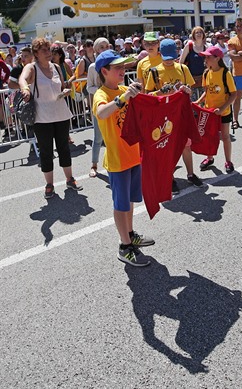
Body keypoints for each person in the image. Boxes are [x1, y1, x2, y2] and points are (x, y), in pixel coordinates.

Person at [92, 50, 154, 267]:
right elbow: (102, 113)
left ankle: (129, 234)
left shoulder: (123, 89)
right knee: (120, 205)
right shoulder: (101, 94)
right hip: (118, 160)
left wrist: (172, 92)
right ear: (104, 71)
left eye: (123, 67)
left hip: (133, 156)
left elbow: (148, 103)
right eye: (117, 67)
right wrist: (124, 97)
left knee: (129, 202)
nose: (122, 70)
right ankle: (124, 246)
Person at [18, 38, 83, 198]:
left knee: (64, 148)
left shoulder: (55, 67)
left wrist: (65, 91)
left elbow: (61, 87)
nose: (49, 53)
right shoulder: (31, 68)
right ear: (36, 54)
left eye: (49, 49)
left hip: (60, 114)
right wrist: (25, 88)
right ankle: (49, 185)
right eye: (44, 50)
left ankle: (70, 179)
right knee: (46, 152)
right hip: (42, 118)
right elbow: (22, 79)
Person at [144, 38, 204, 192]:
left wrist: (187, 90)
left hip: (181, 113)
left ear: (176, 54)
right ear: (161, 54)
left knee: (186, 145)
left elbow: (189, 88)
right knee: (168, 148)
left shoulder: (183, 68)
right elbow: (148, 95)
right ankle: (169, 177)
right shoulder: (155, 71)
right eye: (166, 58)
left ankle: (190, 174)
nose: (169, 61)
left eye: (171, 58)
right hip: (163, 116)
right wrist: (161, 92)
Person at [194, 46, 238, 174]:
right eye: (205, 57)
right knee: (209, 136)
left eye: (208, 57)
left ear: (217, 58)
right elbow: (206, 91)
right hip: (209, 111)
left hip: (223, 112)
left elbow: (233, 94)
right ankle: (209, 158)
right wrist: (198, 101)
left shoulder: (225, 73)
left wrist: (223, 108)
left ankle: (228, 161)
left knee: (225, 136)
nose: (205, 59)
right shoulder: (206, 73)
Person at [85, 37, 111, 177]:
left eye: (106, 46)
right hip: (100, 105)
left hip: (114, 105)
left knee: (113, 136)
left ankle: (112, 164)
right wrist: (102, 91)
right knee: (98, 138)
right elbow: (89, 87)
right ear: (95, 50)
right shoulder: (92, 67)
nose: (105, 49)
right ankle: (94, 165)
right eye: (101, 47)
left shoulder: (114, 63)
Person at [179, 26, 208, 101]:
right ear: (193, 35)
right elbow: (181, 62)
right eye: (196, 32)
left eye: (200, 32)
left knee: (204, 101)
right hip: (191, 79)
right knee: (192, 102)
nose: (199, 34)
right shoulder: (189, 46)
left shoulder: (206, 47)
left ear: (203, 34)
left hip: (203, 79)